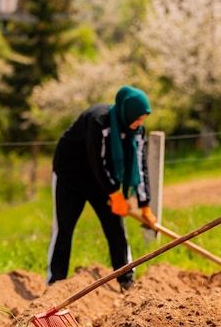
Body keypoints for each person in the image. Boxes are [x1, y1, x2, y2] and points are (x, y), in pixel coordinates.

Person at [47, 86, 157, 291]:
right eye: (138, 118)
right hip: (70, 176)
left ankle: (126, 278)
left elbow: (140, 166)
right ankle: (55, 282)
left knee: (116, 228)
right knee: (64, 228)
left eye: (143, 119)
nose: (140, 123)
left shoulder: (138, 131)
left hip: (102, 183)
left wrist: (145, 205)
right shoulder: (99, 121)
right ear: (127, 113)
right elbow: (98, 161)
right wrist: (116, 195)